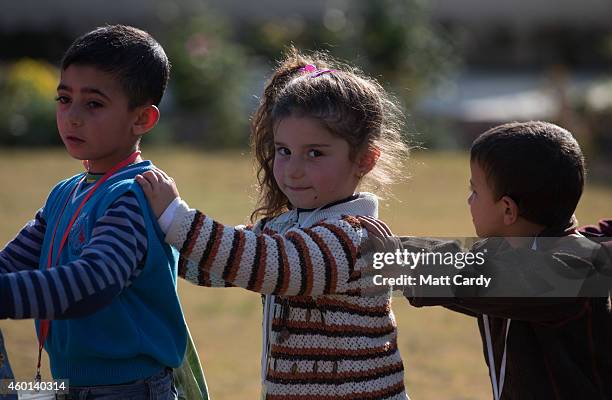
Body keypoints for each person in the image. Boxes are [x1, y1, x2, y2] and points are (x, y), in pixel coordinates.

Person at [137, 48, 411, 400]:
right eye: (283, 150)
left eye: (315, 153)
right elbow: (207, 265)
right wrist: (134, 235)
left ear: (364, 160)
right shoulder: (283, 230)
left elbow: (272, 266)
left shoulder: (355, 238)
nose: (293, 169)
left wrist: (175, 215)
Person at [0, 25, 187, 399]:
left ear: (142, 120)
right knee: (11, 392)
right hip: (63, 388)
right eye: (64, 99)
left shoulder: (134, 195)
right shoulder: (64, 194)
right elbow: (10, 265)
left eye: (94, 104)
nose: (72, 116)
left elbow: (93, 283)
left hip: (129, 391)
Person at [402, 121, 612, 400]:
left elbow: (471, 278)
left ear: (508, 209)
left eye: (475, 191)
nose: (469, 200)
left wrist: (384, 256)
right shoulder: (520, 255)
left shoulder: (571, 273)